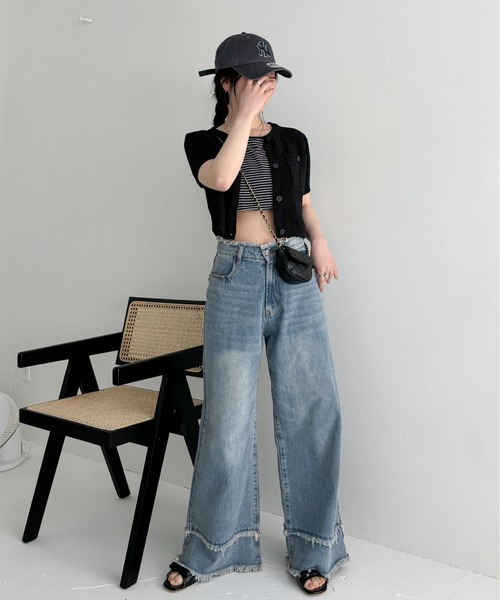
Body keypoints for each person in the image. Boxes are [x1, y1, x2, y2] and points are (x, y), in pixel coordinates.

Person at [165, 32, 348, 595]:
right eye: (255, 78)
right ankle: (212, 546)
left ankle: (316, 549)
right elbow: (221, 179)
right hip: (235, 277)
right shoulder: (202, 142)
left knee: (313, 412)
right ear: (227, 83)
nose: (267, 85)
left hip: (294, 274)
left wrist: (320, 242)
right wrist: (242, 115)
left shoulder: (293, 140)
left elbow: (304, 202)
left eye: (271, 77)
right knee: (226, 420)